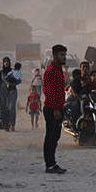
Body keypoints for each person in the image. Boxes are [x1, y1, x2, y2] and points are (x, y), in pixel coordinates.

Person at [43, 44, 67, 174]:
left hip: (58, 108)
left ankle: (52, 162)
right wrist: (56, 109)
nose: (64, 57)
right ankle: (49, 164)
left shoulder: (59, 70)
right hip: (52, 109)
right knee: (51, 138)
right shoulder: (51, 70)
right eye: (61, 55)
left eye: (64, 55)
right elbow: (49, 92)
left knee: (55, 137)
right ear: (54, 55)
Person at [4, 62, 23, 131]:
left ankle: (11, 124)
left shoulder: (12, 73)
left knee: (10, 108)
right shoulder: (14, 73)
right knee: (11, 108)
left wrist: (11, 83)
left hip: (11, 91)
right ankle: (10, 124)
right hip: (10, 91)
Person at [0, 57, 12, 131]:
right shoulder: (1, 72)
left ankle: (8, 124)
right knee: (3, 109)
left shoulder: (12, 72)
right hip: (2, 92)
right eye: (5, 62)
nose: (6, 63)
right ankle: (4, 124)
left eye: (7, 61)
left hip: (10, 92)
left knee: (9, 108)